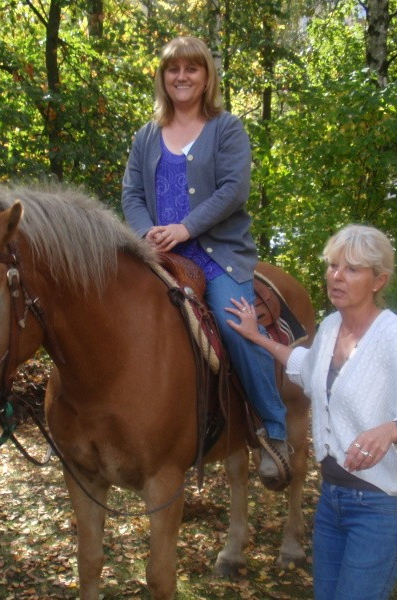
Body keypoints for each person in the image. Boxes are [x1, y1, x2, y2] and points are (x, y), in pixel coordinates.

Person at [226, 224, 397, 599]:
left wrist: (395, 429)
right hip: (332, 501)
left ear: (378, 280)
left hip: (380, 509)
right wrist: (259, 337)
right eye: (333, 265)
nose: (336, 276)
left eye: (352, 269)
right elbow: (307, 369)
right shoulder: (332, 327)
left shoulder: (396, 336)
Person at [121, 36, 291, 486]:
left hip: (216, 258)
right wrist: (146, 233)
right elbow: (132, 194)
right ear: (162, 77)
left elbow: (234, 190)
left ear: (206, 76)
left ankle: (274, 429)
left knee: (237, 326)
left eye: (191, 68)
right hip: (157, 256)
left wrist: (185, 228)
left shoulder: (226, 128)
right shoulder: (146, 136)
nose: (182, 77)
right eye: (173, 69)